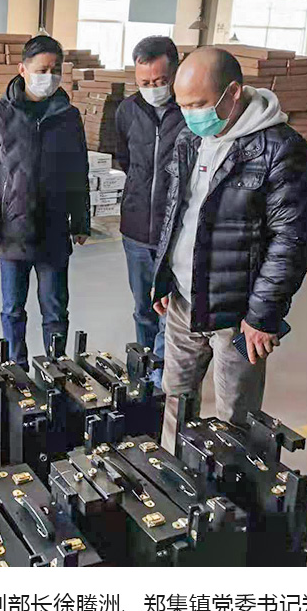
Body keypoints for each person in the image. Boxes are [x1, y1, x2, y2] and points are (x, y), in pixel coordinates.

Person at [151, 46, 307, 453]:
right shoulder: (190, 138)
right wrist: (164, 276)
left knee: (235, 418)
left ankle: (230, 487)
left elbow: (294, 239)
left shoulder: (279, 148)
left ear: (233, 93)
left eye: (198, 104)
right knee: (175, 399)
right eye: (182, 105)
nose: (189, 114)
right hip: (184, 301)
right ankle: (171, 476)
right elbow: (177, 213)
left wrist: (263, 315)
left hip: (238, 314)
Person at [0, 35, 90, 369]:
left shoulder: (68, 116)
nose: (49, 76)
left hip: (54, 230)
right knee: (13, 309)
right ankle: (17, 369)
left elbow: (78, 171)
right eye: (42, 70)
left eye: (55, 70)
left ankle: (57, 368)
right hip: (13, 230)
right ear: (22, 69)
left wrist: (81, 220)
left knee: (55, 309)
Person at [115, 36, 186, 389]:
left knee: (170, 310)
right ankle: (144, 371)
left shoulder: (190, 111)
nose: (153, 88)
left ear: (176, 72)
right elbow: (124, 160)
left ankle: (162, 378)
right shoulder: (127, 111)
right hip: (136, 230)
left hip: (177, 232)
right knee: (143, 307)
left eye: (160, 81)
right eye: (145, 82)